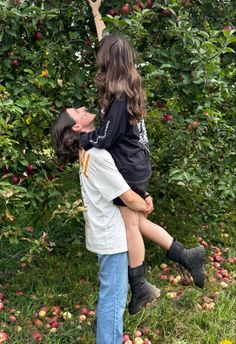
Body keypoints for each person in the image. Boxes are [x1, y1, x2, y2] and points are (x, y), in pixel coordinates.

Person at [78, 0, 205, 315]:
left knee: (129, 223)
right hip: (136, 162)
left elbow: (106, 138)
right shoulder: (128, 81)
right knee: (137, 219)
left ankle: (140, 286)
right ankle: (185, 255)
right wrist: (96, 13)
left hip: (131, 165)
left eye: (102, 59)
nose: (99, 61)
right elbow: (110, 43)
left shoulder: (119, 95)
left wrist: (83, 139)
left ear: (110, 63)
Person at [51, 107, 159, 344]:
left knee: (111, 294)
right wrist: (145, 205)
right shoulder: (97, 155)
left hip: (104, 234)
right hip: (113, 238)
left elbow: (121, 184)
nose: (82, 107)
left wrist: (143, 195)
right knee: (115, 299)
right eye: (76, 111)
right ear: (76, 127)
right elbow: (128, 197)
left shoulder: (88, 152)